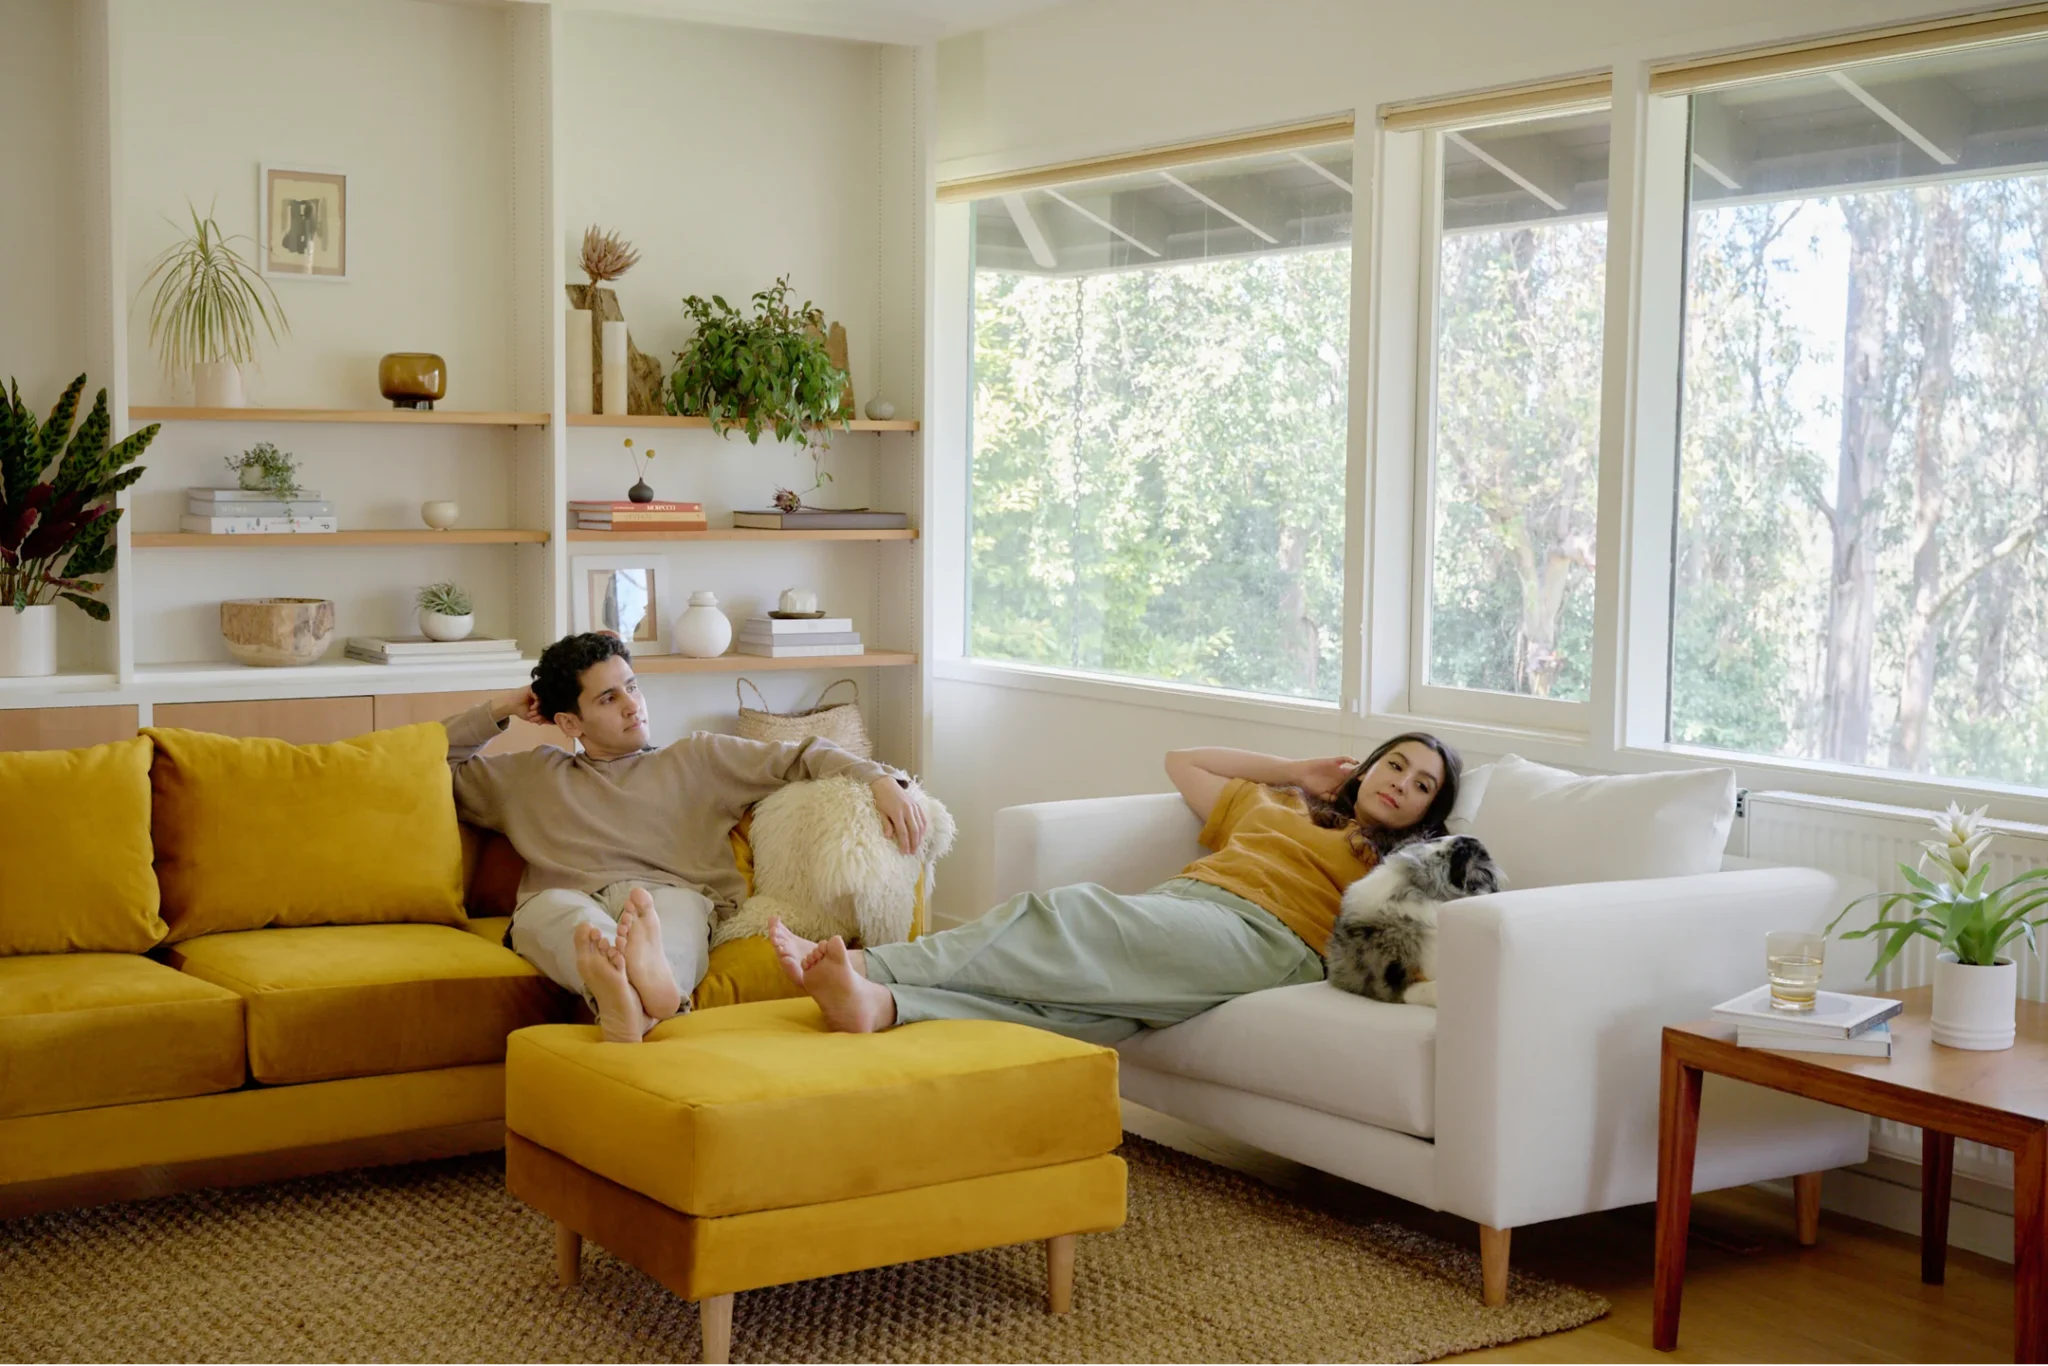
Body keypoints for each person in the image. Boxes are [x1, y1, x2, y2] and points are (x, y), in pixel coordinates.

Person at [768, 733, 1460, 1044]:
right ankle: (886, 1007)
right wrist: (1291, 768)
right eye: (1395, 764)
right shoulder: (1278, 804)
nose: (1401, 782)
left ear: (1428, 811)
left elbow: (1420, 942)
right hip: (1188, 903)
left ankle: (868, 965)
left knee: (1064, 913)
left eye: (1421, 784)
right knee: (1087, 1017)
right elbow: (1181, 759)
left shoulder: (1398, 864)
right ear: (1367, 766)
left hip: (1268, 938)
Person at [444, 631, 927, 1043]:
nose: (633, 706)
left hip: (672, 894)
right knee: (559, 917)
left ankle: (636, 994)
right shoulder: (530, 777)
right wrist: (500, 707)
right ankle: (637, 999)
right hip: (568, 896)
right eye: (608, 699)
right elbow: (429, 762)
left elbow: (801, 753)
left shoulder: (697, 758)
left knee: (670, 913)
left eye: (632, 687)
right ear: (570, 723)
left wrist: (879, 780)